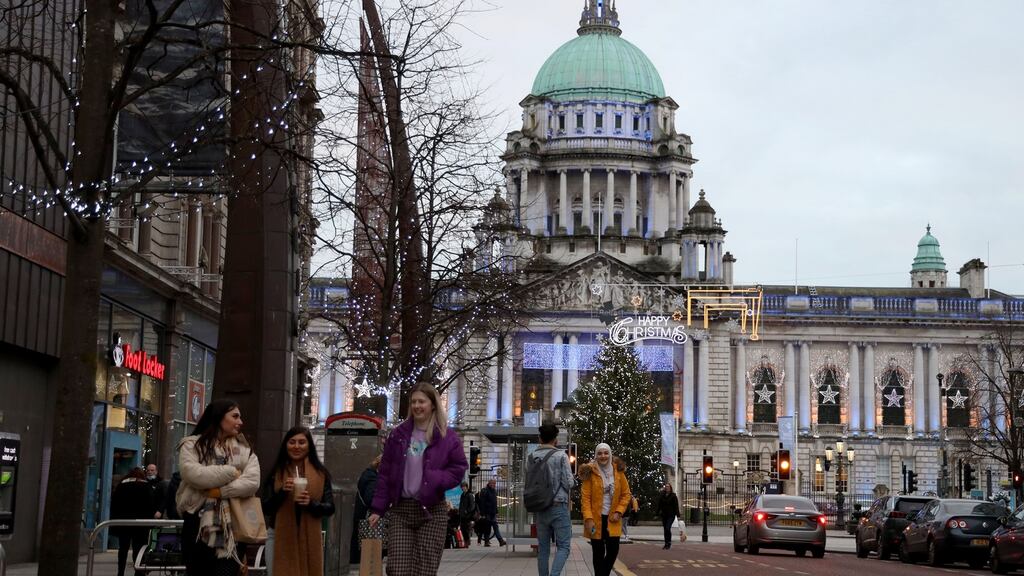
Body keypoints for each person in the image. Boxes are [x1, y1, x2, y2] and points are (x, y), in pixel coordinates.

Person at [368, 382, 468, 576]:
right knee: (397, 568)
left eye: (421, 401)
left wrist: (436, 479)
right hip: (401, 509)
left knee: (424, 569)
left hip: (431, 510)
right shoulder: (398, 435)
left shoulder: (448, 437)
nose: (416, 406)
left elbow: (458, 469)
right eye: (413, 401)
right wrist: (378, 508)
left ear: (432, 404)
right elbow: (386, 473)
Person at [176, 399, 260, 576]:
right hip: (198, 524)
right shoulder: (192, 445)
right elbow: (193, 474)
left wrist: (218, 491)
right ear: (219, 417)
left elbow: (252, 483)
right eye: (235, 416)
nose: (240, 422)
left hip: (234, 527)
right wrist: (230, 472)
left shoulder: (246, 450)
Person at [262, 426, 335, 576]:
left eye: (302, 442)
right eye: (292, 442)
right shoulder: (276, 473)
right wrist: (282, 492)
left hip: (310, 539)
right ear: (285, 445)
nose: (296, 446)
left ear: (309, 446)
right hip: (278, 536)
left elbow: (330, 507)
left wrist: (311, 503)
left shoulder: (321, 474)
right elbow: (266, 508)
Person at [529, 423, 574, 576]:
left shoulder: (531, 456)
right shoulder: (561, 456)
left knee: (543, 549)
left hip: (540, 507)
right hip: (558, 505)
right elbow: (569, 483)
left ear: (539, 438)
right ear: (555, 439)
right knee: (563, 546)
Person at [579, 443, 631, 576]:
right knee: (598, 552)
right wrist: (588, 518)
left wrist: (619, 512)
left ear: (610, 454)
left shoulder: (618, 472)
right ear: (596, 455)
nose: (603, 456)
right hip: (595, 519)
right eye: (600, 453)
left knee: (613, 551)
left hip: (613, 518)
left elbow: (626, 494)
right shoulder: (590, 472)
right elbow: (585, 499)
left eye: (606, 453)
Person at [110, 467, 158, 576]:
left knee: (123, 548)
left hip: (124, 522)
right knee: (138, 548)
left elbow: (115, 504)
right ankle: (138, 572)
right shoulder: (146, 486)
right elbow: (151, 505)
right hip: (140, 524)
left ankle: (120, 572)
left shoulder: (121, 486)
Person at [350, 455, 382, 564]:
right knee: (367, 557)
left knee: (361, 553)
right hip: (369, 521)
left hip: (362, 518)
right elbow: (370, 498)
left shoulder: (368, 475)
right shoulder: (373, 478)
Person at [477, 478, 505, 546]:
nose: (494, 485)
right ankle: (488, 542)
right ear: (489, 483)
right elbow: (482, 503)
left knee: (495, 526)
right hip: (487, 512)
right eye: (493, 483)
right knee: (488, 527)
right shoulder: (485, 491)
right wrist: (482, 513)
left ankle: (500, 541)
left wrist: (496, 511)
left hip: (493, 512)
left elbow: (494, 502)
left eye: (495, 484)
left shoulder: (494, 491)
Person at [655, 483, 680, 550]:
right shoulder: (662, 495)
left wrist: (678, 515)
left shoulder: (673, 496)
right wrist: (656, 514)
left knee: (667, 528)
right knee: (665, 530)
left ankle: (669, 543)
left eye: (668, 487)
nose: (667, 488)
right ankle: (666, 543)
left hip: (671, 515)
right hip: (664, 515)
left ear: (670, 488)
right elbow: (659, 505)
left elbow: (676, 506)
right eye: (666, 487)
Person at [458, 481, 477, 548]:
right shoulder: (462, 495)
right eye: (462, 487)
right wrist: (460, 511)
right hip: (462, 515)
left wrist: (467, 511)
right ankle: (466, 541)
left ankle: (467, 541)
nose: (463, 488)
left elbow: (472, 506)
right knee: (463, 529)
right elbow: (461, 504)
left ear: (467, 487)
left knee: (466, 529)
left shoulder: (469, 495)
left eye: (464, 487)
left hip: (467, 515)